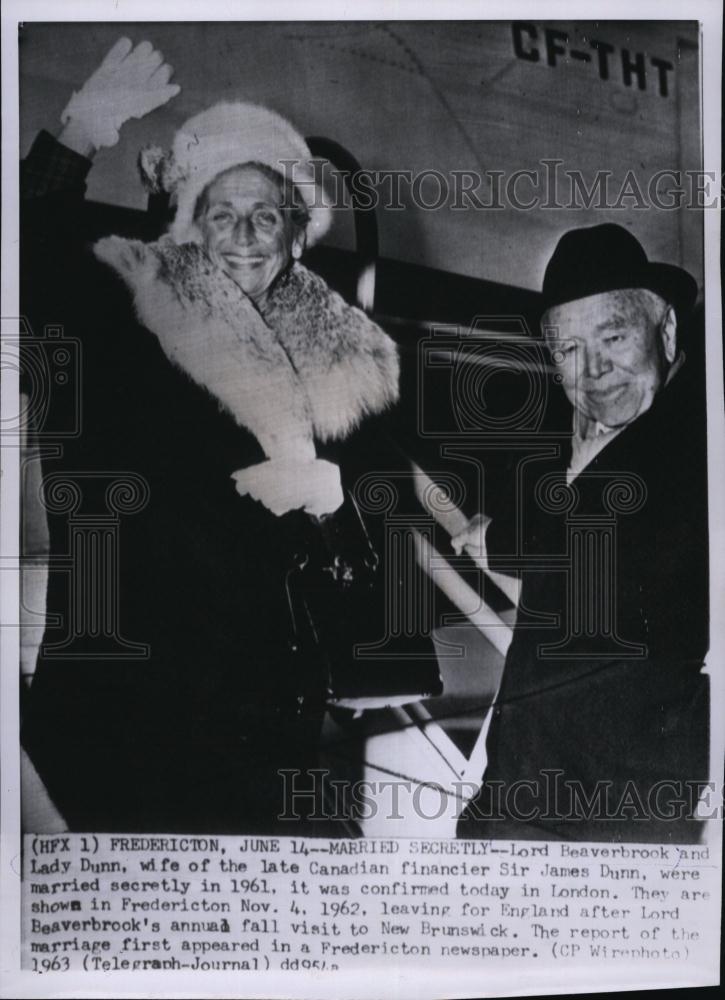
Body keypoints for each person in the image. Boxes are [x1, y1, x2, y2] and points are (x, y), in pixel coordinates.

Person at [20, 38, 412, 833]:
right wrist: (79, 133)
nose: (243, 234)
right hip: (127, 723)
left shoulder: (350, 359)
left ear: (297, 233)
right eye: (220, 213)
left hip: (275, 730)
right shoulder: (123, 303)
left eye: (264, 215)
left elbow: (384, 523)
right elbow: (20, 259)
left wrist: (337, 495)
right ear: (190, 224)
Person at [453, 223, 709, 843]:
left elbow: (601, 538)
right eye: (568, 351)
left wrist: (495, 539)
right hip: (521, 801)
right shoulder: (597, 438)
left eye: (613, 337)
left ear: (667, 330)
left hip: (605, 826)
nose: (593, 371)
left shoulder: (695, 444)